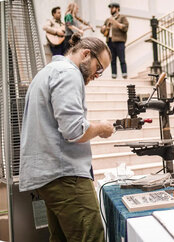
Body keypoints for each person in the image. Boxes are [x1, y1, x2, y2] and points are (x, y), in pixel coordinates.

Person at [19, 33, 113, 242]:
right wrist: (100, 128)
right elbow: (73, 130)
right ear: (86, 54)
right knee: (91, 236)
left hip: (49, 175)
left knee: (61, 238)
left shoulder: (47, 72)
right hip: (65, 175)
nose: (97, 75)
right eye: (99, 68)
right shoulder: (69, 74)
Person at [101, 2, 129, 79]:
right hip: (110, 41)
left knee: (122, 59)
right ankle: (114, 75)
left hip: (119, 41)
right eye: (110, 8)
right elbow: (103, 30)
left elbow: (125, 28)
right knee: (112, 60)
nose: (111, 9)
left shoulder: (122, 18)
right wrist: (103, 28)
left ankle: (124, 74)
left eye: (112, 7)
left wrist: (115, 22)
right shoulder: (108, 19)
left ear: (117, 8)